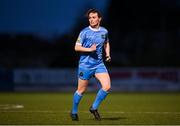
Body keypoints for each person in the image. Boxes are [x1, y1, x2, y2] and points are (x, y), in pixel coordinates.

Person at [70, 8, 111, 121]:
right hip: (85, 65)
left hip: (99, 64)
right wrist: (89, 49)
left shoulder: (104, 31)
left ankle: (94, 108)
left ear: (99, 19)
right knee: (81, 90)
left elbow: (106, 42)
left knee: (107, 86)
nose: (91, 20)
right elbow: (76, 47)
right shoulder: (84, 32)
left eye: (94, 17)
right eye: (90, 18)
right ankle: (73, 111)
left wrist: (107, 54)